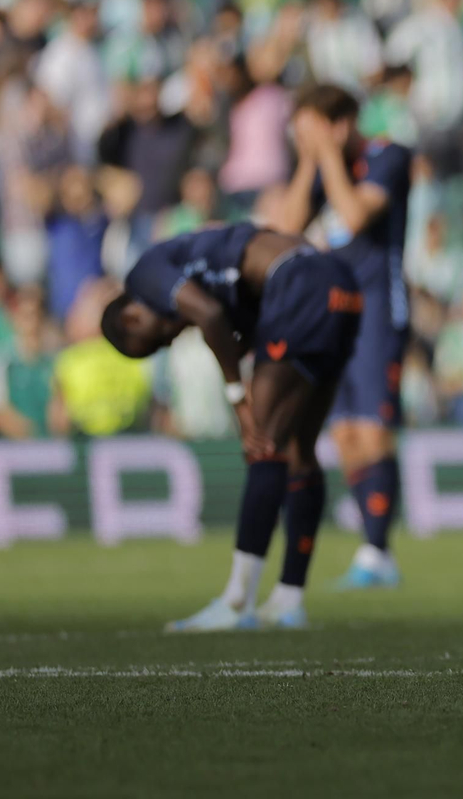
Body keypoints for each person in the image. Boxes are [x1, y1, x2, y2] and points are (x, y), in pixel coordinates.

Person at [101, 223, 362, 630]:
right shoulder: (203, 266)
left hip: (297, 280)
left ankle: (237, 602)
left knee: (263, 445)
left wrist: (238, 399)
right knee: (299, 450)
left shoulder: (143, 274)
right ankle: (288, 599)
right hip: (339, 282)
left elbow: (209, 314)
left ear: (133, 316)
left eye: (158, 341)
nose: (170, 339)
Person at [272, 85, 412, 590]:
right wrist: (310, 161)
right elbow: (285, 229)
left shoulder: (387, 156)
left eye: (313, 130)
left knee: (374, 430)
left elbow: (354, 217)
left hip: (378, 312)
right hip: (334, 314)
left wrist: (328, 154)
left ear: (342, 123)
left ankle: (378, 551)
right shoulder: (319, 170)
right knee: (346, 434)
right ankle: (373, 550)